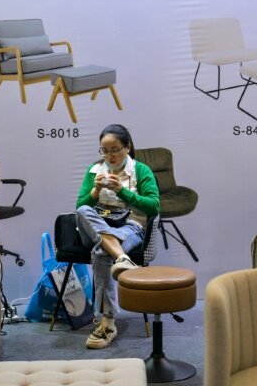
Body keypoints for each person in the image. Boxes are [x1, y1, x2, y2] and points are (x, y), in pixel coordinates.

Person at [75, 124, 159, 349]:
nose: (109, 156)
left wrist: (122, 191)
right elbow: (80, 206)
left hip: (130, 226)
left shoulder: (141, 170)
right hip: (97, 226)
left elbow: (154, 206)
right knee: (83, 211)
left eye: (115, 149)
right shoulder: (94, 170)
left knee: (102, 252)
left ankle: (108, 322)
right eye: (104, 150)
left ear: (127, 147)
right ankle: (123, 258)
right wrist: (94, 192)